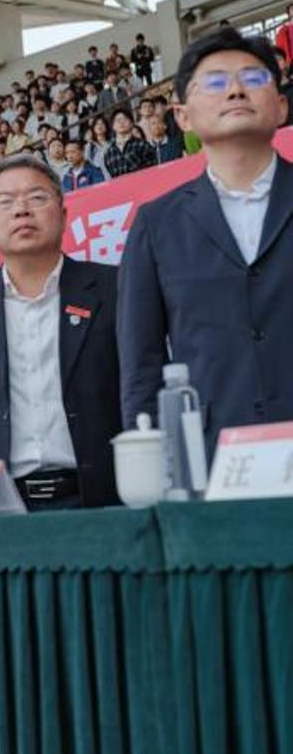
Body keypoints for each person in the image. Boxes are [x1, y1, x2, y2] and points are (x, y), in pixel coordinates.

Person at [119, 28, 293, 452]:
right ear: (183, 117)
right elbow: (141, 366)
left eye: (253, 78)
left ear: (282, 106)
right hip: (213, 461)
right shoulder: (156, 225)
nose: (235, 90)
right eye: (214, 82)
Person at [0, 155, 122, 509]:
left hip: (102, 499)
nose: (21, 210)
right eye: (6, 202)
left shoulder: (113, 287)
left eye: (36, 197)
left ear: (63, 215)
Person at [103, 108, 157, 178]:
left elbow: (153, 170)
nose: (121, 122)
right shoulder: (109, 152)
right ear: (113, 126)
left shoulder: (142, 145)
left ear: (132, 123)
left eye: (124, 119)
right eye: (118, 120)